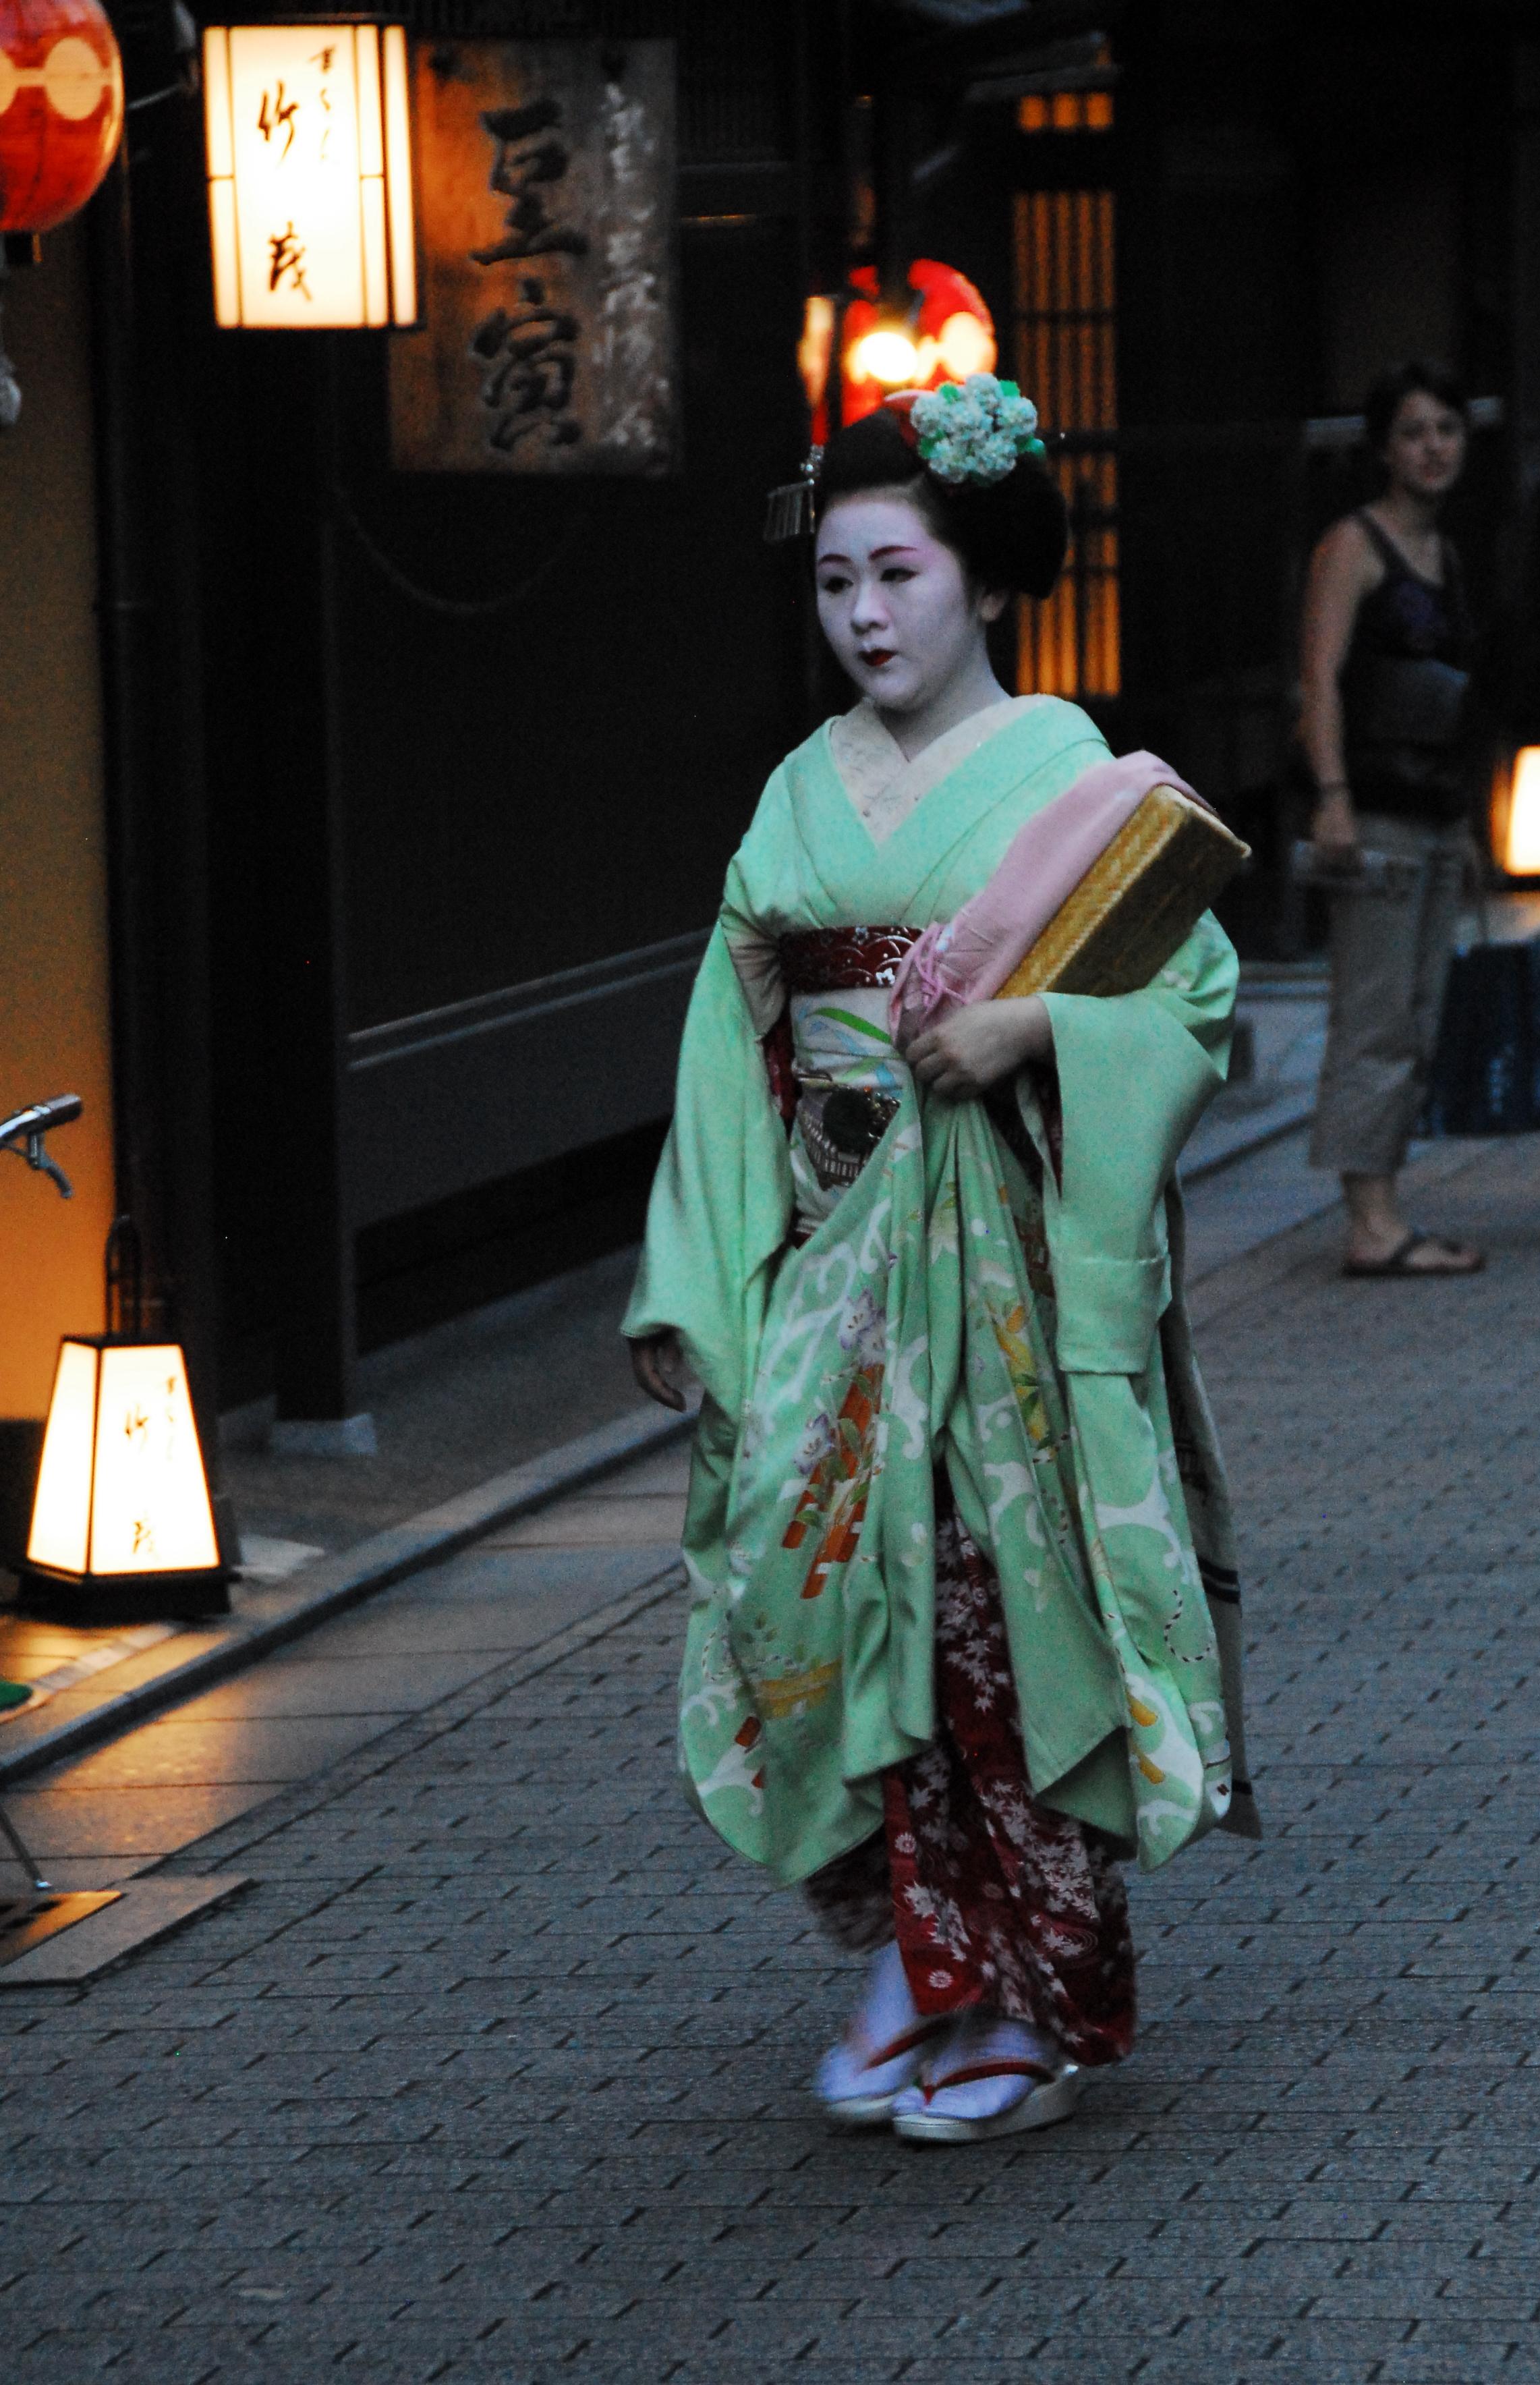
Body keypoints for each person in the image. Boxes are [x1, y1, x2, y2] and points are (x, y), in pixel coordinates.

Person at [623, 377, 1252, 2146]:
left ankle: (1027, 1995)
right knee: (833, 1598)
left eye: (897, 575)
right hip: (832, 1260)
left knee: (996, 1617)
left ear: (984, 581)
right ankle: (917, 1954)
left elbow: (1193, 995)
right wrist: (697, 1277)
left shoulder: (1065, 767)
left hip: (1005, 1273)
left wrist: (1040, 1027)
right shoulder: (794, 793)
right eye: (835, 584)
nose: (866, 617)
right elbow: (725, 1042)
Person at [1300, 361, 1485, 1279]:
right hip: (1373, 813)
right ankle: (1368, 1219)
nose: (1433, 447)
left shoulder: (1445, 554)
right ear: (1384, 447)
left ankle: (1384, 1204)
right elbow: (1322, 676)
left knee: (1417, 1013)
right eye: (1415, 432)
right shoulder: (1355, 543)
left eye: (1447, 429)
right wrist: (1331, 795)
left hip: (1436, 811)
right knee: (1373, 1014)